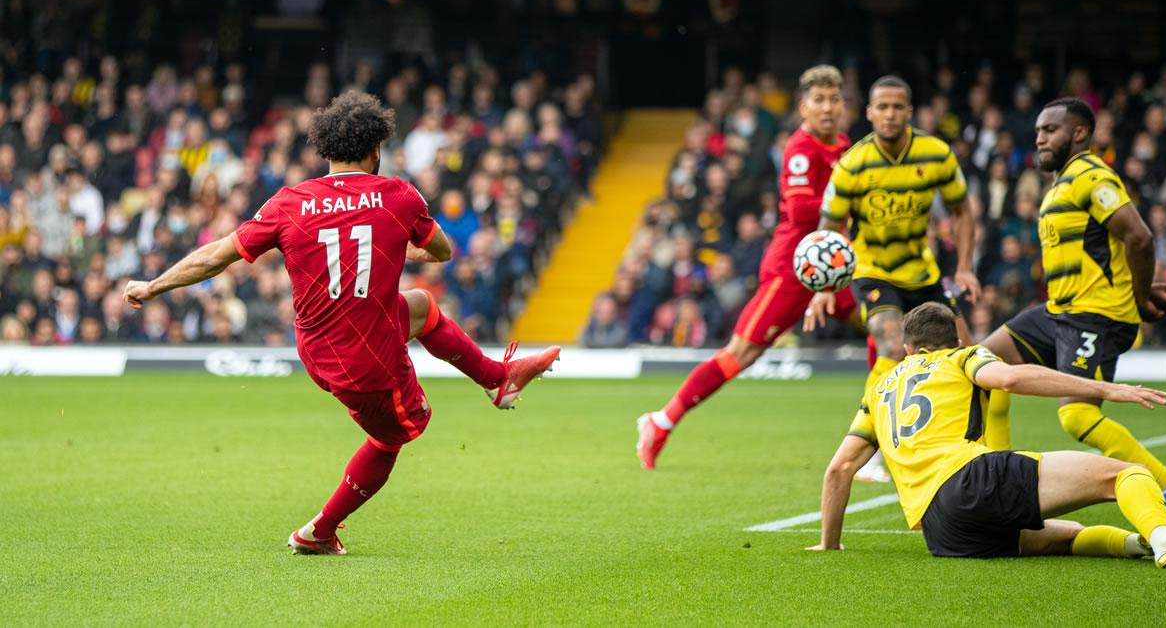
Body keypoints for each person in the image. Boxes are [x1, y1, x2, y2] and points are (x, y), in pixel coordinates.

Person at [124, 90, 560, 556]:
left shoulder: (290, 201)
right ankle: (318, 531)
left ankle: (498, 379)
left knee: (420, 307)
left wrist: (153, 286)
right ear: (376, 150)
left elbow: (214, 257)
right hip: (365, 361)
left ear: (325, 149)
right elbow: (444, 251)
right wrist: (408, 246)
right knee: (399, 431)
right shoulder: (399, 196)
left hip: (317, 349)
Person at [810, 303, 1166, 568]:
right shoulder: (962, 356)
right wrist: (1106, 389)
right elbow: (1010, 378)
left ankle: (1140, 544)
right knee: (1127, 475)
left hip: (941, 529)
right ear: (957, 339)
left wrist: (830, 542)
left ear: (909, 349)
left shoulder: (878, 389)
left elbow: (839, 469)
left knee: (1064, 538)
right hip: (971, 479)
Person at [979, 97, 1166, 523]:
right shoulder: (1060, 183)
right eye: (1039, 131)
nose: (1040, 138)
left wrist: (1138, 300)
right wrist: (1140, 286)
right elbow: (1108, 250)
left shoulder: (1092, 176)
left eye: (1051, 130)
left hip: (1095, 315)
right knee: (983, 367)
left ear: (1079, 133)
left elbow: (1138, 237)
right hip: (1058, 310)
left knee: (1076, 416)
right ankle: (997, 481)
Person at [635, 66, 860, 469]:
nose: (827, 108)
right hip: (794, 269)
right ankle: (661, 420)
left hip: (835, 265)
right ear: (803, 106)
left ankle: (880, 442)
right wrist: (851, 195)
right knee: (741, 353)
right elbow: (798, 206)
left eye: (834, 99)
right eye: (819, 100)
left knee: (884, 328)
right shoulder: (800, 149)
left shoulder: (843, 143)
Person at [805, 75, 981, 483]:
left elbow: (964, 211)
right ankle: (871, 450)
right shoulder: (853, 163)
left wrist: (965, 266)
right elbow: (828, 226)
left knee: (969, 352)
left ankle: (976, 446)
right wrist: (824, 288)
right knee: (890, 343)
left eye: (897, 107)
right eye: (881, 107)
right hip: (872, 272)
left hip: (922, 273)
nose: (889, 114)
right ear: (868, 112)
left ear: (909, 111)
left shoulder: (935, 154)